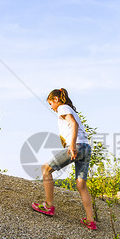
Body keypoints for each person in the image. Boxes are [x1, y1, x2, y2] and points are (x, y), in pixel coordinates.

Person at [31, 88, 96, 230]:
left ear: (56, 99)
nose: (51, 107)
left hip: (77, 146)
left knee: (46, 169)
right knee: (81, 185)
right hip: (86, 147)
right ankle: (90, 220)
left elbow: (73, 124)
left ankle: (48, 206)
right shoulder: (71, 109)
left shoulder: (62, 107)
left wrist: (71, 145)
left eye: (50, 103)